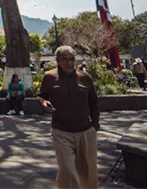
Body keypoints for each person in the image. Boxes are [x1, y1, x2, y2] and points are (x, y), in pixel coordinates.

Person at [38, 46, 100, 189]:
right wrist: (44, 102)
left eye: (72, 59)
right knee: (67, 169)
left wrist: (95, 126)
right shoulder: (49, 77)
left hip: (85, 131)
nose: (69, 63)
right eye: (65, 60)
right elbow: (41, 96)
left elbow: (94, 102)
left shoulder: (85, 78)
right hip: (61, 132)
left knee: (88, 172)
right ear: (58, 61)